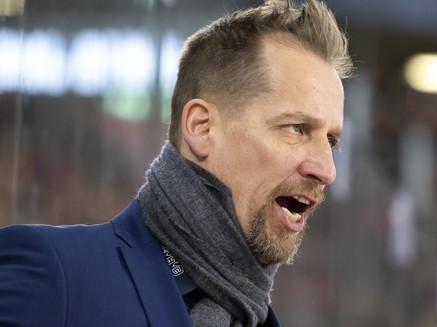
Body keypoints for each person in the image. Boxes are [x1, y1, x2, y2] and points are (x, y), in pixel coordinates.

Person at [0, 0, 353, 325]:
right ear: (202, 127)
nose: (327, 170)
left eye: (331, 141)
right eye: (297, 128)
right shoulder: (55, 273)